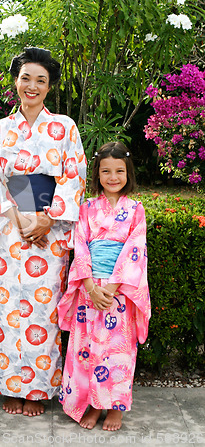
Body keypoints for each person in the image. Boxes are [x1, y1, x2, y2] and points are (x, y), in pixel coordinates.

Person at [0, 47, 87, 416]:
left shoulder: (64, 127)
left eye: (41, 80)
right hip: (11, 230)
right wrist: (21, 221)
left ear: (49, 87)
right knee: (10, 308)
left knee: (44, 311)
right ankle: (10, 384)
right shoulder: (0, 130)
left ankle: (38, 391)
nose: (32, 86)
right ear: (16, 81)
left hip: (50, 231)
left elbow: (74, 177)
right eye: (26, 77)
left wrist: (47, 218)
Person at [58, 142, 151, 431]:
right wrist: (89, 284)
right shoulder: (86, 208)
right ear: (97, 174)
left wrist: (110, 287)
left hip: (119, 290)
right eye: (106, 171)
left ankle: (114, 408)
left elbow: (135, 250)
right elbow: (81, 247)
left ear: (129, 173)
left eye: (119, 171)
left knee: (117, 350)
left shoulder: (135, 210)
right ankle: (92, 404)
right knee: (86, 348)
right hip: (90, 289)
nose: (113, 177)